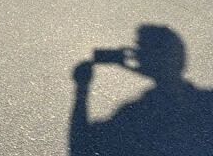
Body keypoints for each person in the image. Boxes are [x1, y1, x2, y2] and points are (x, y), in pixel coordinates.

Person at [69, 25, 212, 155]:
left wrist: (82, 90)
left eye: (140, 51)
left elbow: (83, 148)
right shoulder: (206, 102)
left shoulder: (136, 115)